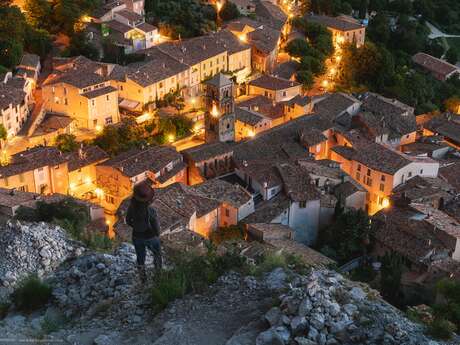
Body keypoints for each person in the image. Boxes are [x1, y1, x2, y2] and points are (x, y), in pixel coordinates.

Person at [126, 180, 162, 282]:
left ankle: (143, 278)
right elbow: (155, 226)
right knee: (157, 255)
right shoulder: (151, 210)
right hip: (150, 237)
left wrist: (136, 227)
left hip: (137, 236)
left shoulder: (132, 207)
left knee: (140, 258)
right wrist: (157, 236)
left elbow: (128, 221)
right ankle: (158, 276)